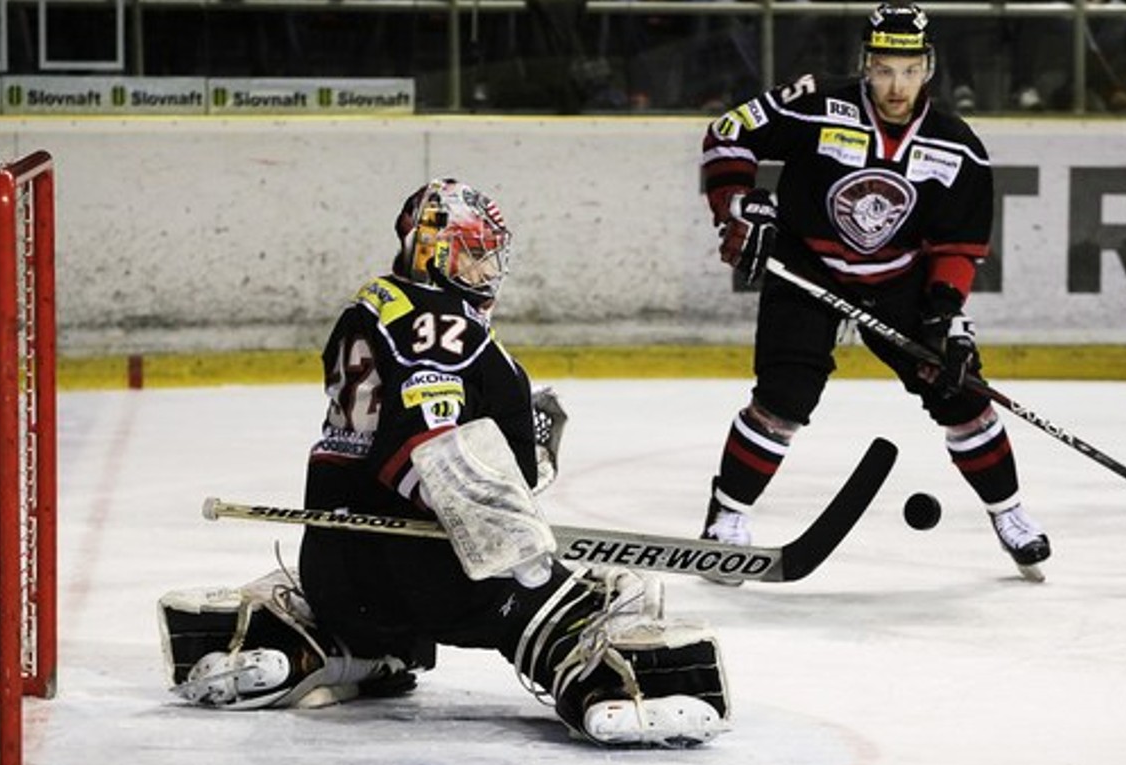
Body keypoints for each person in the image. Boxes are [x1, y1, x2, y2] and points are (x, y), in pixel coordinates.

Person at [157, 179, 732, 747]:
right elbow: (425, 444)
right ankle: (620, 678)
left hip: (336, 565)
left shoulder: (377, 307)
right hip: (433, 563)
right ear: (432, 250)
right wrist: (509, 543)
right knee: (607, 599)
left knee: (356, 608)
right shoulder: (440, 320)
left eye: (489, 259)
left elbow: (395, 423)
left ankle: (322, 642)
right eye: (474, 256)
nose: (486, 273)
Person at [697, 2, 1051, 579]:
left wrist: (943, 315)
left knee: (961, 396)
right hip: (807, 270)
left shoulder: (956, 144)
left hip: (898, 281)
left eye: (909, 71)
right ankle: (726, 518)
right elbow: (729, 133)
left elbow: (957, 247)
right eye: (885, 69)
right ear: (866, 64)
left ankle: (1010, 514)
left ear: (928, 68)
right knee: (784, 398)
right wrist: (738, 205)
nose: (896, 85)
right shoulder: (818, 102)